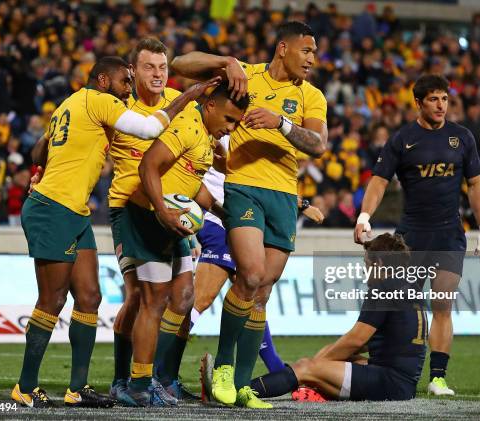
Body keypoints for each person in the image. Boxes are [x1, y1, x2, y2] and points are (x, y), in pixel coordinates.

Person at [12, 55, 216, 408]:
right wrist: (189, 95)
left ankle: (78, 388)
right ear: (104, 80)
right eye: (125, 82)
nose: (128, 90)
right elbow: (152, 130)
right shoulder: (101, 100)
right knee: (52, 300)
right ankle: (25, 386)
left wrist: (45, 167)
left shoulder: (71, 102)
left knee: (90, 297)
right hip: (52, 208)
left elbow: (38, 150)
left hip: (75, 211)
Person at [171, 20, 328, 408]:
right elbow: (179, 63)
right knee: (252, 274)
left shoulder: (312, 96)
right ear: (282, 48)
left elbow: (318, 144)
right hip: (244, 188)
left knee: (261, 293)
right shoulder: (246, 76)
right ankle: (224, 365)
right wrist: (226, 61)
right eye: (306, 51)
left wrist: (282, 123)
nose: (312, 59)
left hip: (284, 196)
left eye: (314, 52)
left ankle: (242, 385)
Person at [353, 74, 480, 396]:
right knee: (400, 303)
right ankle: (388, 368)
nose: (441, 105)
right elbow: (378, 180)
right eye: (433, 99)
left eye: (444, 98)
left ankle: (438, 377)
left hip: (449, 235)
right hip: (411, 237)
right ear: (418, 102)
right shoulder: (403, 140)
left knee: (442, 305)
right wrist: (363, 216)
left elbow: (476, 185)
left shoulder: (462, 138)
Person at [116, 82, 249, 407]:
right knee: (153, 299)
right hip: (146, 216)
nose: (230, 129)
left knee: (184, 296)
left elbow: (196, 189)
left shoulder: (206, 139)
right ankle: (138, 384)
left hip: (170, 223)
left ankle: (158, 378)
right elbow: (148, 164)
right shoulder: (189, 127)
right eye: (229, 120)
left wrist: (224, 215)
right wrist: (162, 212)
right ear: (211, 106)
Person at [189, 136, 325, 403]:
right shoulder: (218, 130)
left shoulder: (249, 129)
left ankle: (259, 376)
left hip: (239, 217)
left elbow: (264, 182)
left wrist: (302, 205)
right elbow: (190, 174)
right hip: (218, 219)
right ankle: (161, 372)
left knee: (252, 296)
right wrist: (188, 228)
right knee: (202, 300)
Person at [107, 37, 203, 403]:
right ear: (133, 71)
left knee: (183, 295)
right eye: (149, 67)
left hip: (170, 212)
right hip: (129, 211)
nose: (158, 74)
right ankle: (126, 381)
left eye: (163, 67)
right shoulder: (118, 109)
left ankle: (162, 378)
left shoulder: (183, 104)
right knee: (139, 297)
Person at [247, 233, 427, 402]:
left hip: (388, 382)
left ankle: (245, 391)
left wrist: (319, 363)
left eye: (366, 264)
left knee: (305, 367)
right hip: (403, 382)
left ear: (378, 264)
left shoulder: (383, 287)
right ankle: (315, 391)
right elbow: (388, 339)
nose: (365, 272)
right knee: (333, 356)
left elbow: (356, 340)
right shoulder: (411, 287)